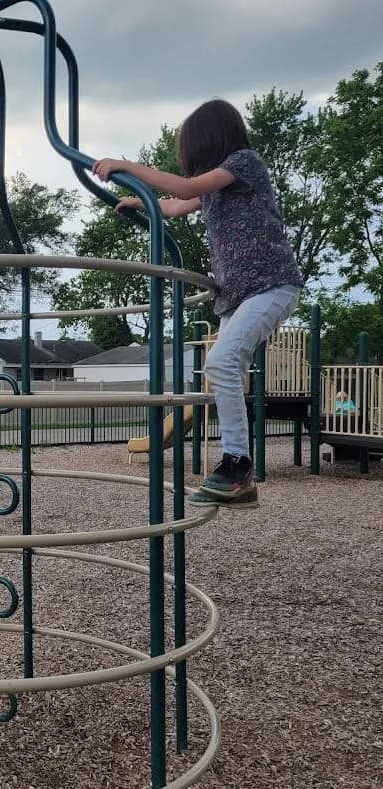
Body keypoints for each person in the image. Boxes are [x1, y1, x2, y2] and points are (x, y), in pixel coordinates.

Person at [93, 98, 302, 509]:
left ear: (209, 141)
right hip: (238, 295)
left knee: (221, 363)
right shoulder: (217, 189)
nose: (188, 161)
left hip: (272, 285)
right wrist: (144, 203)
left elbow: (187, 188)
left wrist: (127, 166)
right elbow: (179, 204)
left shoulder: (244, 163)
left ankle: (237, 466)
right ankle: (239, 473)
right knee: (226, 367)